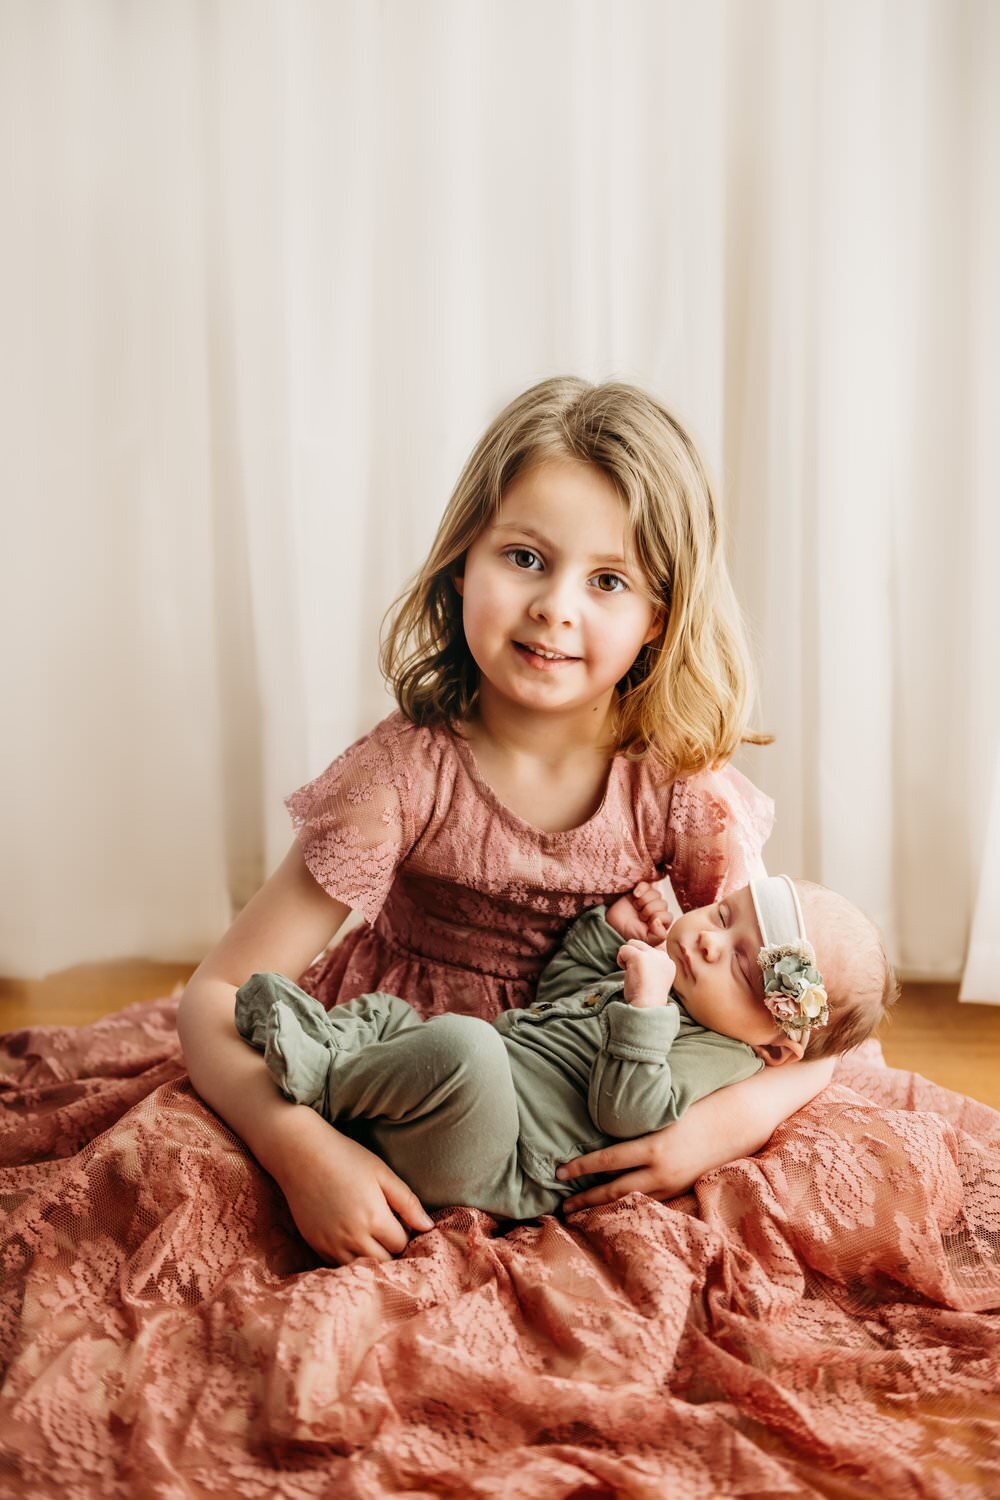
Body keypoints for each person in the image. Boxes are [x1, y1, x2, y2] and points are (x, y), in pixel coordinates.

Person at [177, 374, 839, 1269]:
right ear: (462, 563)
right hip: (408, 1099)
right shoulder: (402, 776)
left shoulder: (681, 789)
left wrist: (712, 1134)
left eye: (609, 580)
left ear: (659, 618)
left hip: (596, 1115)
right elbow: (216, 995)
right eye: (525, 557)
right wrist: (300, 1150)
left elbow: (808, 1024)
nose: (555, 607)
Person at [232, 874, 895, 1223]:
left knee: (465, 1044)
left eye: (744, 969)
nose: (708, 943)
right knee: (398, 1016)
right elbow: (564, 991)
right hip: (461, 1108)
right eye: (724, 916)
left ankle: (324, 1080)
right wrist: (604, 933)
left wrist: (641, 1010)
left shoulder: (717, 1052)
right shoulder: (668, 984)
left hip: (497, 1160)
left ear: (775, 1049)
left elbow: (629, 1114)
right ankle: (335, 1045)